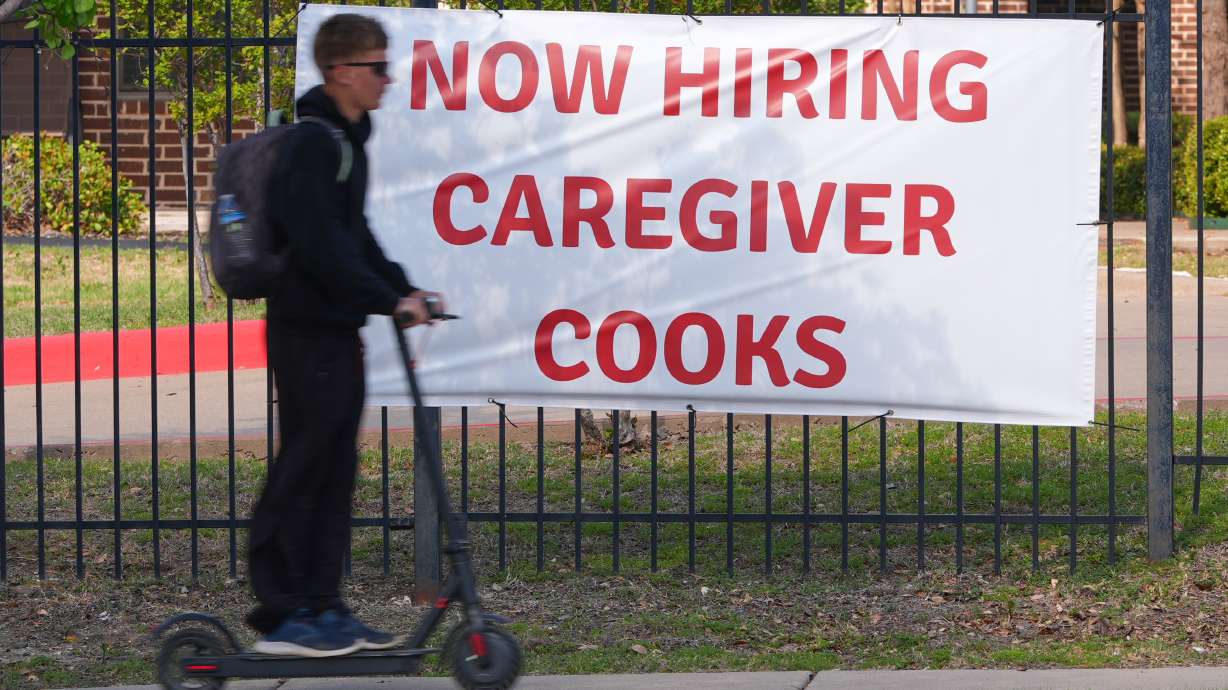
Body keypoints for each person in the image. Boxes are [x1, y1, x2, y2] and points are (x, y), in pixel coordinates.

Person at [245, 12, 441, 658]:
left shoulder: (348, 140)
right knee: (305, 462)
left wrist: (402, 290)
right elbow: (320, 246)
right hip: (305, 332)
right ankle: (282, 612)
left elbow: (356, 237)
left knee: (334, 468)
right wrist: (386, 299)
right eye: (376, 67)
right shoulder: (311, 145)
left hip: (335, 330)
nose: (388, 80)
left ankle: (324, 606)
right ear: (339, 72)